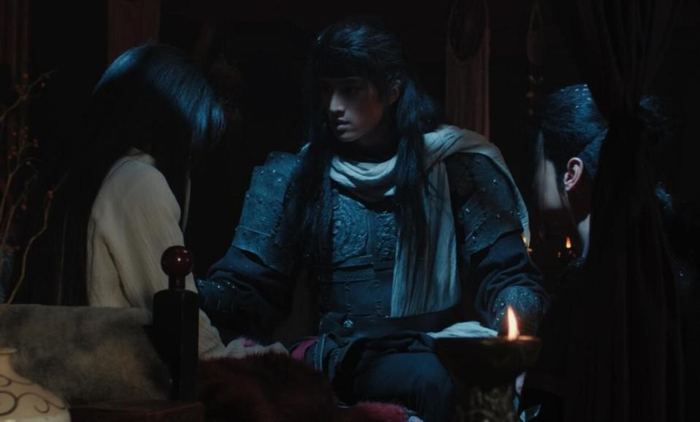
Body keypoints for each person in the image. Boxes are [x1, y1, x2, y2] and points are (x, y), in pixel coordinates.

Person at [197, 17, 547, 422]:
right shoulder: (296, 176)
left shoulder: (455, 166)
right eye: (326, 89)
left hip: (432, 350)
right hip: (339, 358)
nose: (333, 106)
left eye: (350, 89)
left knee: (452, 382)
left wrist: (511, 336)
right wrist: (188, 295)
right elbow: (249, 289)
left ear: (392, 90)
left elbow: (506, 274)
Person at [19, 43, 283, 359]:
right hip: (116, 379)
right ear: (176, 129)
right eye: (193, 147)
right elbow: (189, 336)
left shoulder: (72, 175)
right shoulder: (139, 181)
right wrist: (253, 360)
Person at [525, 84, 699, 421]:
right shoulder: (666, 269)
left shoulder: (588, 285)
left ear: (571, 174)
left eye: (538, 164)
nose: (533, 182)